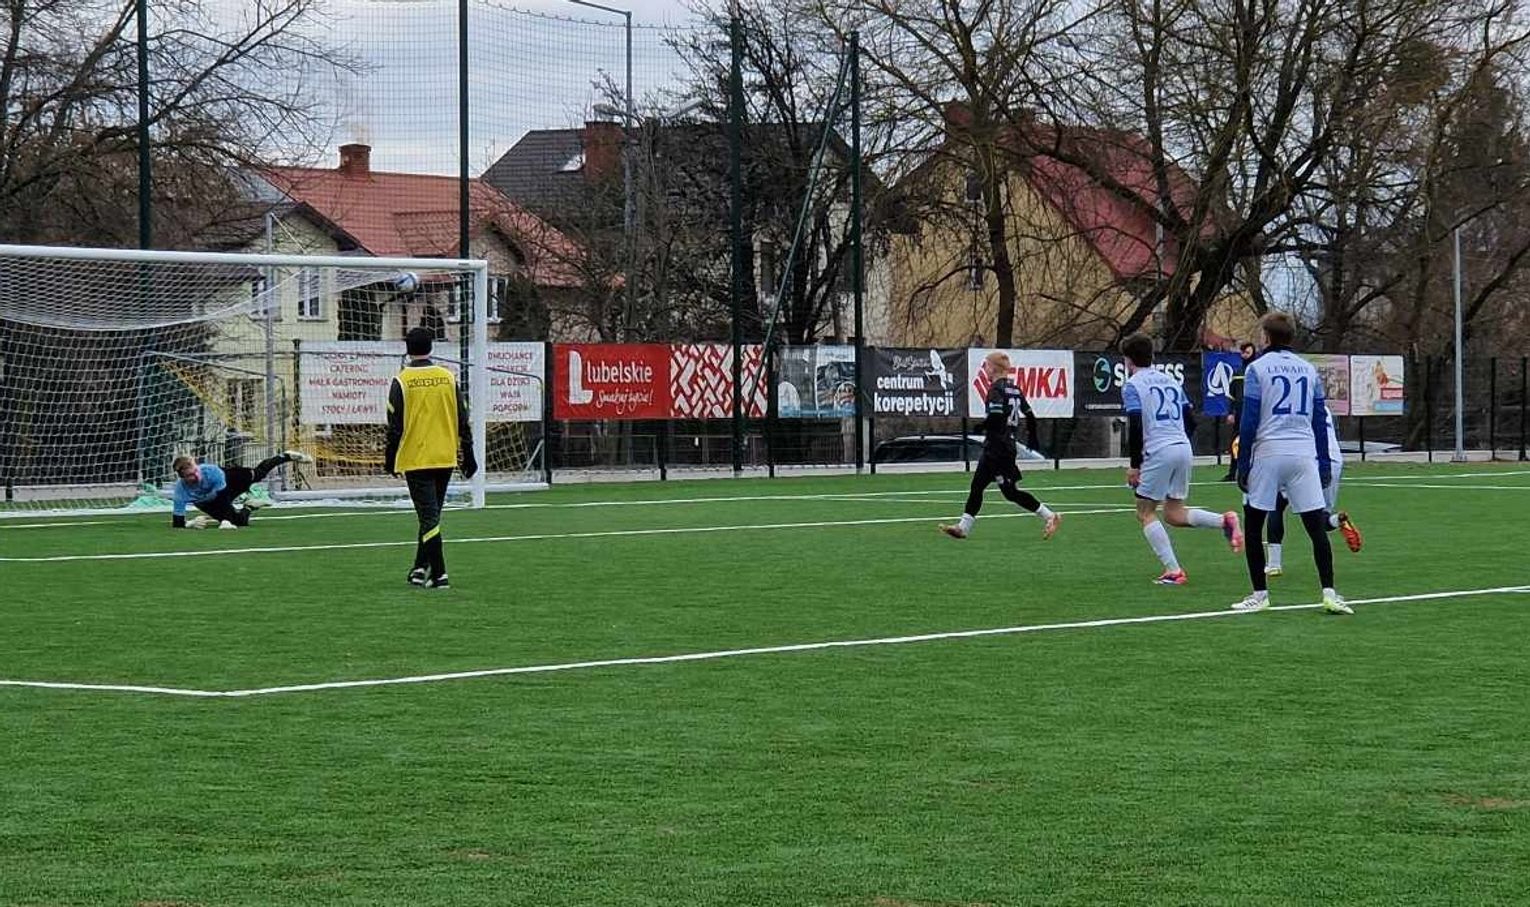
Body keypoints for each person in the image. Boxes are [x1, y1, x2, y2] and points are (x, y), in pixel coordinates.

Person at [1232, 312, 1350, 614]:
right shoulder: (1308, 370)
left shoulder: (1257, 368)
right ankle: (1329, 593)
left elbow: (1249, 420)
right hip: (1303, 455)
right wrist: (1324, 463)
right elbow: (1320, 419)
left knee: (1254, 525)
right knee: (1316, 528)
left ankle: (1260, 595)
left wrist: (1242, 464)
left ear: (1266, 337)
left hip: (1269, 453)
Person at [1119, 333, 1243, 585]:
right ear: (1152, 356)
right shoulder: (1171, 381)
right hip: (1182, 447)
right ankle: (1224, 520)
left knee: (1144, 511)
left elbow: (1135, 424)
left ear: (1128, 360)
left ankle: (1173, 570)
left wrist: (1135, 465)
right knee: (1174, 514)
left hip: (1159, 450)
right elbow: (1191, 420)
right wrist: (1177, 440)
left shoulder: (1132, 385)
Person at [386, 326, 477, 589]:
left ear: (407, 349)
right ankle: (419, 568)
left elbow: (394, 427)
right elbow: (463, 419)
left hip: (416, 459)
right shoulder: (448, 378)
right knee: (431, 516)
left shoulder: (402, 381)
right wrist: (468, 455)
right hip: (444, 456)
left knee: (428, 517)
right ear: (431, 348)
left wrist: (390, 459)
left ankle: (439, 575)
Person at [940, 351, 1061, 541]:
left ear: (994, 368)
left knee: (994, 489)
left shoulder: (996, 390)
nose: (985, 369)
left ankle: (1050, 516)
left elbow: (996, 417)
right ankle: (963, 527)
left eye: (986, 365)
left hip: (998, 448)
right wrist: (1033, 436)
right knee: (992, 488)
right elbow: (1029, 414)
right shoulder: (1015, 389)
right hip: (1002, 446)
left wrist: (982, 426)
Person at [1264, 409, 1363, 575]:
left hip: (1307, 461)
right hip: (1333, 462)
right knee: (1319, 517)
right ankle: (1336, 520)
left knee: (1276, 504)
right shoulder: (1324, 408)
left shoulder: (1293, 404)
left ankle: (1274, 564)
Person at [171, 450, 311, 529]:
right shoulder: (181, 492)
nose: (196, 475)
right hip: (208, 502)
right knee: (240, 522)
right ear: (183, 477)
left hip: (230, 480)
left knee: (259, 474)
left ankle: (285, 456)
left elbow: (223, 497)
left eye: (196, 471)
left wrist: (225, 520)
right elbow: (177, 522)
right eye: (190, 475)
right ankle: (249, 506)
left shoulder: (212, 472)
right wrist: (190, 523)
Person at [1221, 341, 1258, 481]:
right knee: (1236, 443)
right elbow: (1232, 395)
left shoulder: (1258, 371)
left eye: (1248, 352)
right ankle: (1233, 472)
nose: (1245, 355)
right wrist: (1231, 412)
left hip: (1254, 415)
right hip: (1240, 414)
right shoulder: (1238, 373)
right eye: (1243, 352)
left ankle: (1254, 471)